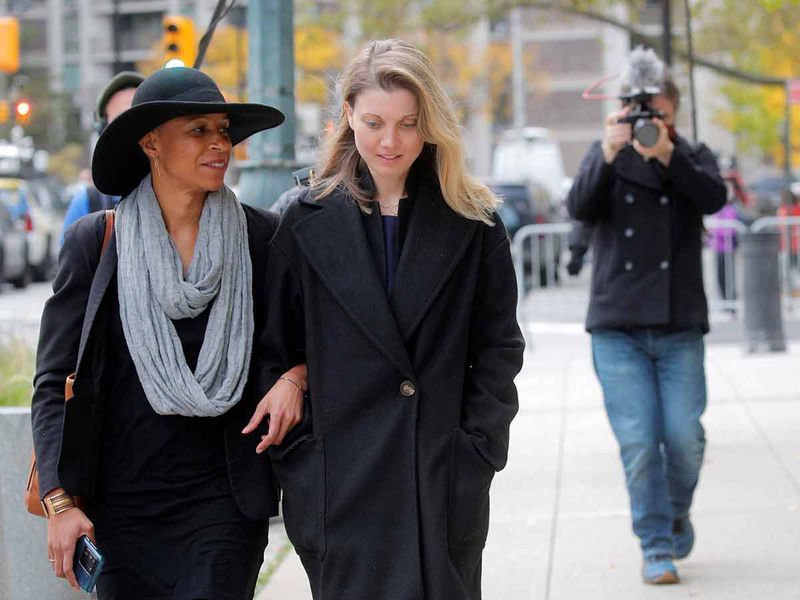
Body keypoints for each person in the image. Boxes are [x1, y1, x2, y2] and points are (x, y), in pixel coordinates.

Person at [245, 39, 525, 600]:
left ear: (432, 124)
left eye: (408, 123)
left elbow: (498, 347)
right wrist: (300, 458)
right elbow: (272, 346)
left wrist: (476, 449)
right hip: (340, 483)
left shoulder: (473, 222)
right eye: (374, 121)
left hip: (440, 477)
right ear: (347, 115)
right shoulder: (301, 220)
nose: (390, 141)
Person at [32, 67, 307, 600]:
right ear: (151, 143)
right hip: (120, 506)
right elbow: (53, 381)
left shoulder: (260, 238)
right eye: (198, 130)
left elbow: (303, 343)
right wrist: (59, 501)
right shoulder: (97, 243)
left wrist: (297, 375)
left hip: (224, 503)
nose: (219, 144)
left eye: (223, 130)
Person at [567, 47, 727, 585]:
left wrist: (668, 156)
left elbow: (713, 197)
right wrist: (610, 154)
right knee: (640, 442)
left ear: (673, 111)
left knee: (685, 438)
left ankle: (675, 511)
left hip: (679, 322)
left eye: (656, 111)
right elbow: (579, 207)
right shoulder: (605, 154)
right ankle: (655, 544)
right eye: (638, 111)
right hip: (618, 326)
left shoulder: (691, 154)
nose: (646, 121)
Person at [60, 72, 144, 243]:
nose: (132, 127)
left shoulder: (185, 194)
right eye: (122, 119)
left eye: (139, 116)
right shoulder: (88, 203)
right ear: (104, 131)